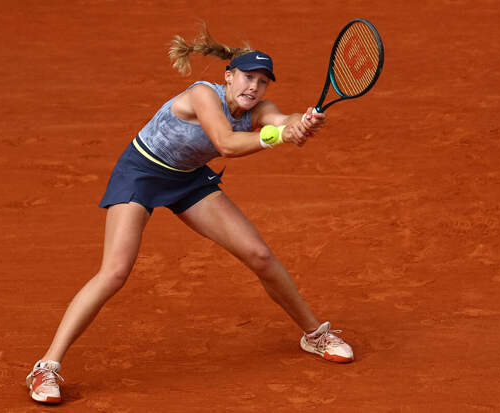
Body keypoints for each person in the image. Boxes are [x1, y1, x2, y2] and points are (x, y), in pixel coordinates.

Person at [26, 24, 354, 405]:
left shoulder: (258, 110)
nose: (254, 88)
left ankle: (314, 334)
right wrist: (280, 137)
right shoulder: (202, 94)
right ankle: (46, 367)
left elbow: (282, 120)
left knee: (260, 255)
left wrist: (301, 124)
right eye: (247, 77)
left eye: (262, 82)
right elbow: (226, 144)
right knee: (114, 272)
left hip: (188, 179)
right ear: (228, 76)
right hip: (142, 172)